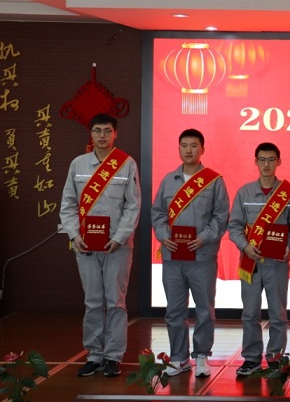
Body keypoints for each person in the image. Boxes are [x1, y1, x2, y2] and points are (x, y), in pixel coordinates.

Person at [60, 113, 141, 378]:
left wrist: (119, 237)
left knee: (116, 302)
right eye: (97, 131)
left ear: (115, 134)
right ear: (91, 134)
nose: (102, 135)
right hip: (85, 245)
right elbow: (68, 203)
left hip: (117, 246)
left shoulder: (126, 164)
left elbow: (133, 205)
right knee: (93, 302)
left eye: (107, 130)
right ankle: (94, 354)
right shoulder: (78, 164)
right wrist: (74, 235)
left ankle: (113, 356)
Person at [150, 129, 229, 378]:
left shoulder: (214, 181)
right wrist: (163, 235)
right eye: (184, 145)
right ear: (179, 149)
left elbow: (221, 217)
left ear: (202, 149)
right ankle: (179, 357)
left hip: (202, 256)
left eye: (194, 145)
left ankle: (202, 355)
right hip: (173, 256)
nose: (188, 150)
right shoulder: (168, 180)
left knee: (204, 309)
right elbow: (157, 213)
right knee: (174, 310)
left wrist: (203, 237)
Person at [228, 142, 290, 376]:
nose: (266, 164)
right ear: (255, 162)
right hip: (251, 263)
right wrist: (245, 246)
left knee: (278, 313)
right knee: (250, 313)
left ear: (279, 162)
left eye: (271, 160)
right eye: (262, 159)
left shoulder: (289, 194)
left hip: (277, 264)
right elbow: (234, 226)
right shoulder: (244, 192)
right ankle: (251, 358)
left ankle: (275, 357)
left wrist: (289, 245)